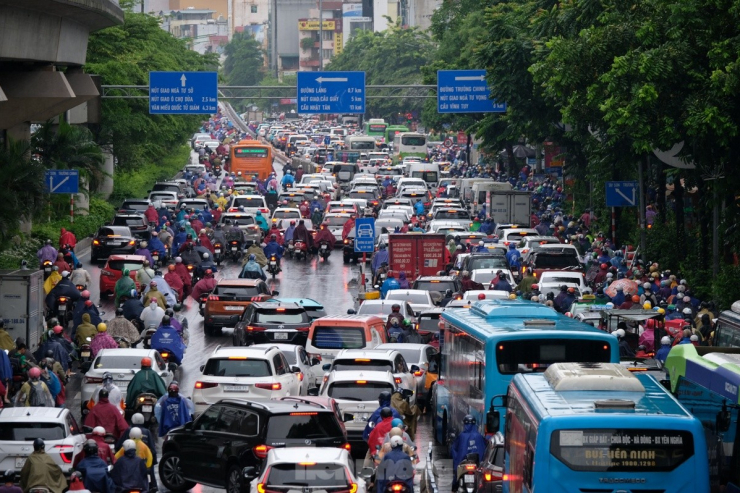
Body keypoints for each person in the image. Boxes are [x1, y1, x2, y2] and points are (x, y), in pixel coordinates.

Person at [451, 415, 487, 491]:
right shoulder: (479, 436)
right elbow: (484, 450)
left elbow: (454, 449)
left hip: (463, 464)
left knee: (455, 483)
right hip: (477, 464)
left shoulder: (461, 436)